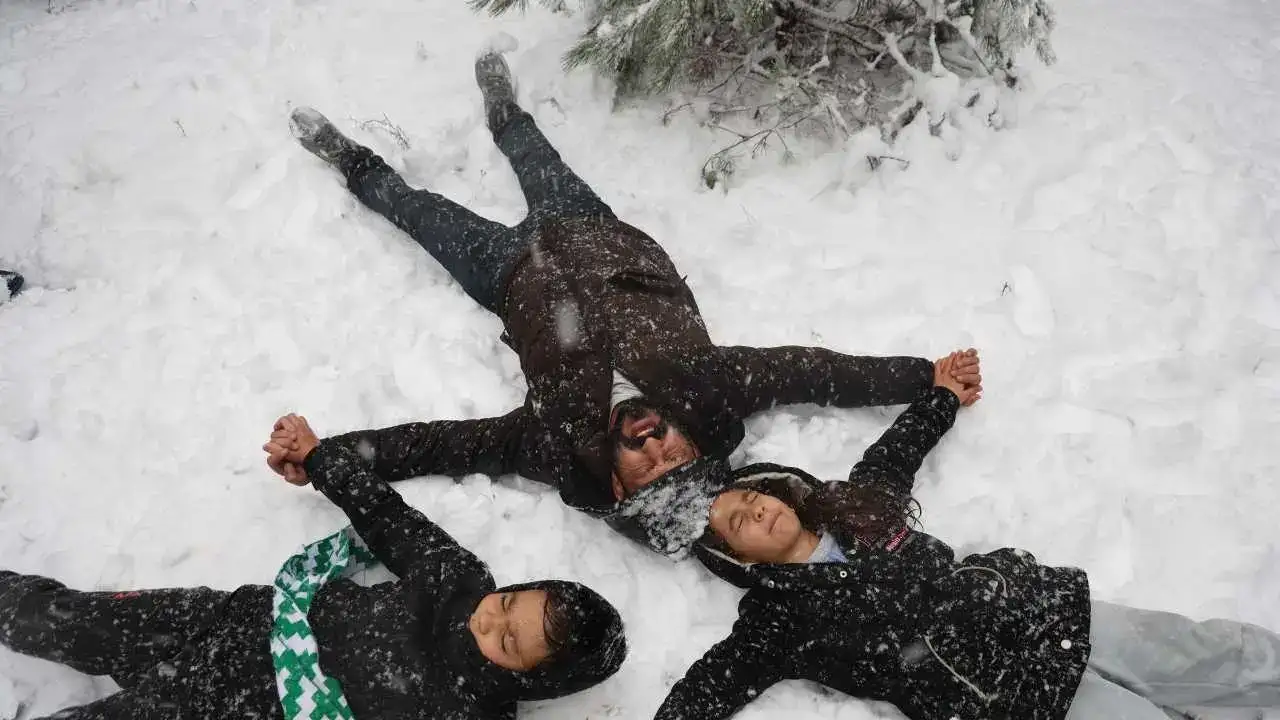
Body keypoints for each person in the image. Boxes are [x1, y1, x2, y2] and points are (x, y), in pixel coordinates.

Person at [272, 49, 981, 522]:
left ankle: (353, 160)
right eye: (675, 454)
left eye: (647, 466)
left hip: (510, 273)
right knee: (536, 155)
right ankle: (504, 110)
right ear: (693, 441)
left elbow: (445, 445)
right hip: (599, 237)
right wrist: (925, 376)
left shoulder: (556, 442)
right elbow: (814, 371)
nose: (654, 444)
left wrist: (327, 459)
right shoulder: (709, 388)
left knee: (418, 212)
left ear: (617, 482)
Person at [636, 354, 1280, 720]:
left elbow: (898, 450)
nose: (756, 514)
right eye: (738, 524)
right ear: (737, 557)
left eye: (754, 499)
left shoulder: (855, 508)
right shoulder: (776, 622)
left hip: (1032, 609)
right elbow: (713, 683)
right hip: (1009, 698)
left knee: (1196, 653)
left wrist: (940, 395)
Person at [0, 414, 626, 720]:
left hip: (231, 710)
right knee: (66, 619)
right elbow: (388, 519)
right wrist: (322, 457)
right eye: (509, 603)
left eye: (508, 643)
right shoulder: (457, 580)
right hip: (237, 623)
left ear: (530, 682)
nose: (490, 621)